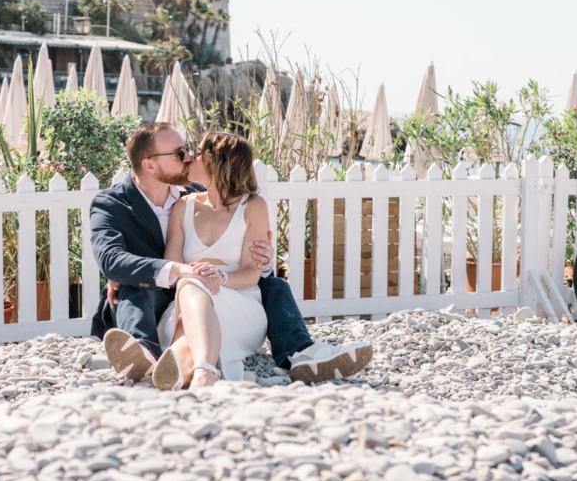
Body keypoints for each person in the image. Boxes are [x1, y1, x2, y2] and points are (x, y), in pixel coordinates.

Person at [90, 122, 373, 385]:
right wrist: (143, 271)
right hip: (165, 296)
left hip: (217, 294)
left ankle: (298, 352)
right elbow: (114, 259)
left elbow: (249, 261)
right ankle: (150, 355)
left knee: (273, 284)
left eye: (190, 149)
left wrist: (261, 260)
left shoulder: (206, 192)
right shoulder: (113, 204)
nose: (188, 156)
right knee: (142, 285)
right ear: (149, 165)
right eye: (179, 153)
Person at [152, 131, 270, 390]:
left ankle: (199, 370)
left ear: (215, 161)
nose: (190, 157)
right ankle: (191, 373)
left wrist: (220, 276)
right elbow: (172, 267)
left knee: (193, 290)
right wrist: (196, 275)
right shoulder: (183, 206)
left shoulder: (253, 206)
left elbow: (253, 273)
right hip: (188, 303)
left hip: (239, 304)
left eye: (197, 152)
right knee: (191, 287)